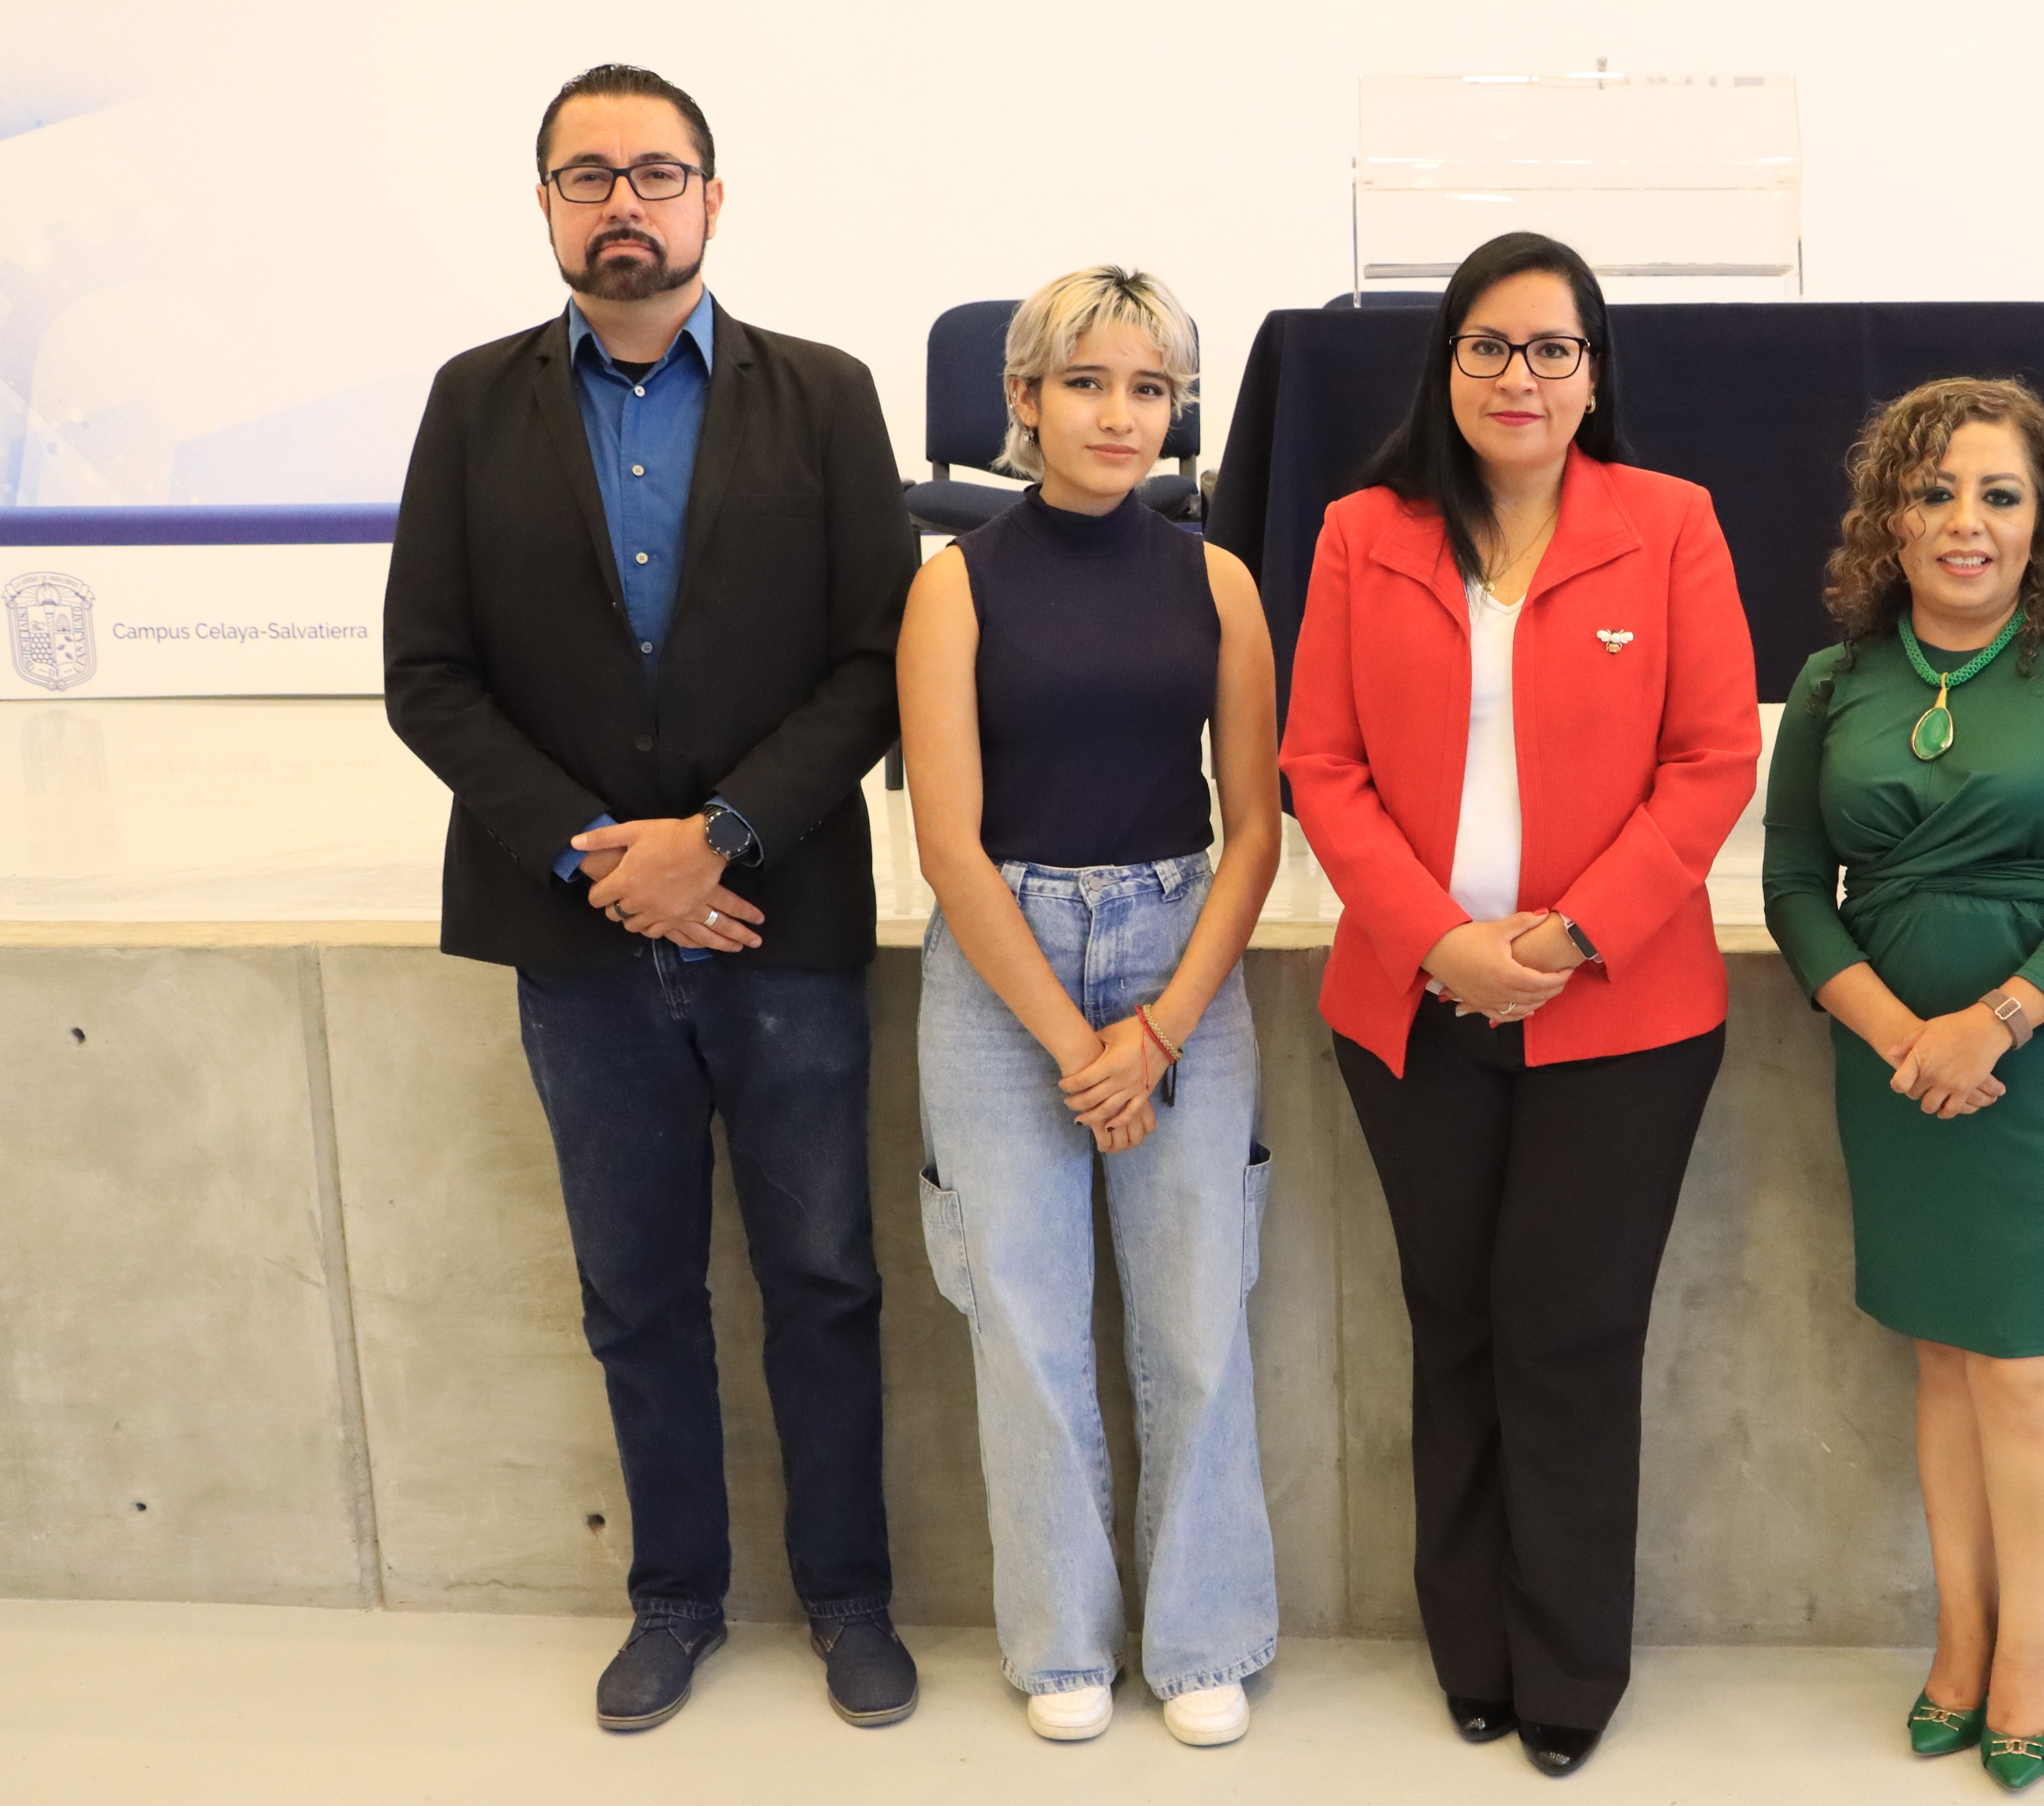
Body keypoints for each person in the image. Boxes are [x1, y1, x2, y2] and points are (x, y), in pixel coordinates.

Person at [382, 64, 919, 1730]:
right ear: (545, 204)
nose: (625, 202)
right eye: (589, 174)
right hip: (579, 932)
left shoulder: (822, 394)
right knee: (636, 1295)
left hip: (781, 920)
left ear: (713, 199)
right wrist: (606, 853)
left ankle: (848, 1598)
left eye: (657, 173)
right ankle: (677, 1595)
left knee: (824, 1278)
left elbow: (875, 659)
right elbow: (429, 674)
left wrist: (722, 836)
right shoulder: (471, 402)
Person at [1280, 230, 1760, 1778]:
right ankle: (1469, 1649)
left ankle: (1567, 1664)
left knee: (1570, 1330)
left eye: (1554, 348)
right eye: (1489, 345)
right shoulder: (1364, 533)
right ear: (1447, 366)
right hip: (1414, 1005)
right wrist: (1440, 942)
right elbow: (1320, 765)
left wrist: (1570, 935)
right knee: (1455, 1321)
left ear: (1593, 374)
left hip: (1622, 1013)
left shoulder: (1670, 524)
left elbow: (1712, 760)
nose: (1521, 376)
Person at [1762, 377, 2044, 1792]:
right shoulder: (1834, 683)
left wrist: (1991, 1025)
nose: (1966, 521)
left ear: (2041, 520)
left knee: (2031, 1363)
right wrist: (1902, 1034)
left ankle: (2031, 1653)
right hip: (1894, 1066)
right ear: (1889, 516)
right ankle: (1959, 1633)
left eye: (2000, 496)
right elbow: (1792, 887)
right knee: (1944, 1352)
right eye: (1934, 491)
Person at [899, 267, 1281, 1750]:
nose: (1120, 415)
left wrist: (1162, 1027)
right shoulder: (954, 585)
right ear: (1024, 399)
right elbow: (946, 841)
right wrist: (1079, 1046)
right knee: (1025, 1320)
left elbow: (1255, 829)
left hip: (1182, 955)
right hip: (1007, 966)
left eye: (1149, 389)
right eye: (1086, 383)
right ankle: (1061, 1639)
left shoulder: (1220, 582)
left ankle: (1204, 1634)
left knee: (1196, 1321)